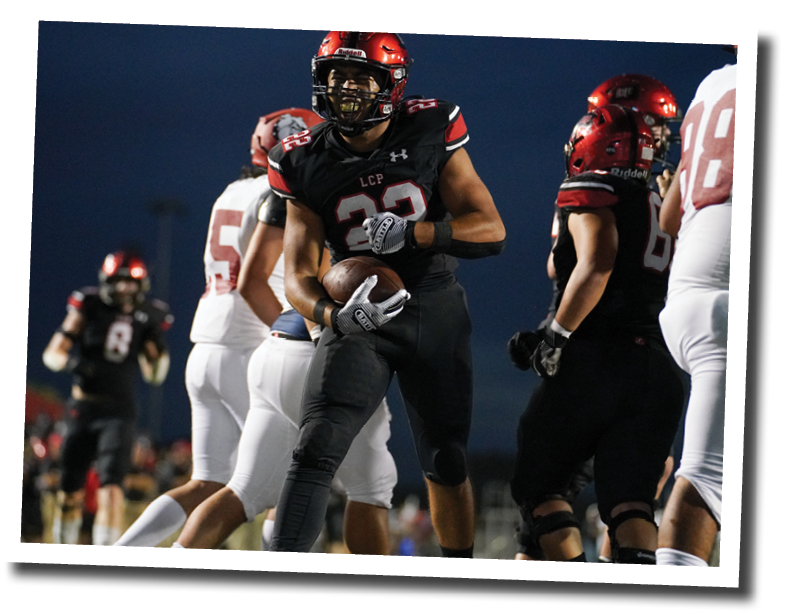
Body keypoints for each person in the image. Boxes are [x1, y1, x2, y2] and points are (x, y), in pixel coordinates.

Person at [265, 31, 506, 557]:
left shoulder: (430, 125)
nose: (344, 87)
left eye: (358, 77)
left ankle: (459, 577)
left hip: (430, 304)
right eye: (336, 75)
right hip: (359, 316)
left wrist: (416, 233)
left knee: (445, 459)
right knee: (315, 448)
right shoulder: (299, 157)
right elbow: (298, 274)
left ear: (390, 83)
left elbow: (490, 229)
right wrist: (334, 315)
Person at [114, 108, 322, 547]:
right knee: (288, 480)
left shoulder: (231, 190)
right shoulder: (281, 191)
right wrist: (292, 339)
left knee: (207, 481)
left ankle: (121, 554)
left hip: (206, 347)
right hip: (249, 347)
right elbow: (255, 281)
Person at [507, 104, 685, 564]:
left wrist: (556, 336)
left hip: (597, 358)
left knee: (539, 486)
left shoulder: (591, 189)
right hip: (658, 367)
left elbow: (597, 263)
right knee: (631, 505)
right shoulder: (665, 204)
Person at [655, 54, 736, 567]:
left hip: (687, 294)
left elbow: (668, 215)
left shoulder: (712, 83)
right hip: (728, 303)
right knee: (706, 478)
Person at [43, 251, 173, 545]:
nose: (125, 289)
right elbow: (52, 353)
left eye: (131, 282)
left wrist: (157, 350)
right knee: (68, 492)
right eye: (119, 281)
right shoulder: (88, 305)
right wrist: (69, 362)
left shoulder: (149, 315)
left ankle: (106, 561)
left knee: (112, 490)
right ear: (106, 280)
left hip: (119, 411)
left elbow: (155, 375)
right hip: (83, 407)